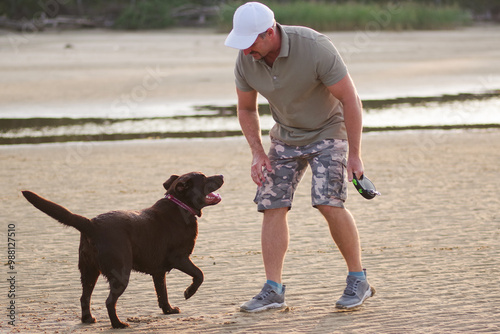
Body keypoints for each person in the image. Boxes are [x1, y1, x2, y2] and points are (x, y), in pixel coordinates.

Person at [224, 2, 375, 312]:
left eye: (250, 42)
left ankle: (358, 279)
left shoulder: (315, 46)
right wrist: (257, 153)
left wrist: (356, 155)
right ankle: (273, 290)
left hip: (329, 131)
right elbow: (245, 108)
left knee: (327, 200)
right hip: (286, 135)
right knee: (271, 204)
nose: (245, 50)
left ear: (268, 33)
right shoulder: (246, 59)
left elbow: (350, 99)